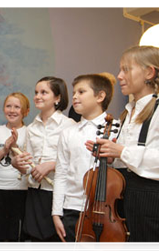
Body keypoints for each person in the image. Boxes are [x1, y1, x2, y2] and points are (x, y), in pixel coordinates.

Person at [85, 45, 159, 251]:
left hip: (154, 201)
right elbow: (130, 160)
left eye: (126, 69)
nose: (119, 76)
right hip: (128, 198)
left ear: (149, 73)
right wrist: (112, 157)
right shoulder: (128, 113)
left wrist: (122, 151)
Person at [52, 73, 118, 251]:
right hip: (72, 209)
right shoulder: (68, 132)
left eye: (81, 91)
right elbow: (61, 174)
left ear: (100, 96)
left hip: (106, 213)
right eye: (74, 92)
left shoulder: (117, 128)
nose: (74, 96)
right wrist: (57, 212)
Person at [12, 77, 75, 251]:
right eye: (36, 92)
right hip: (35, 193)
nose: (38, 96)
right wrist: (17, 163)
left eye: (44, 92)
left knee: (59, 242)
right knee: (38, 243)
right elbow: (28, 165)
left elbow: (76, 161)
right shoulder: (31, 128)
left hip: (58, 193)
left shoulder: (69, 125)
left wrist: (51, 165)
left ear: (58, 98)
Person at [0, 92, 30, 251]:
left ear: (25, 111)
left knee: (16, 240)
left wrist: (15, 147)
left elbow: (31, 164)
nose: (12, 110)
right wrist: (5, 149)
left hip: (20, 191)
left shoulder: (30, 132)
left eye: (17, 107)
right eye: (8, 106)